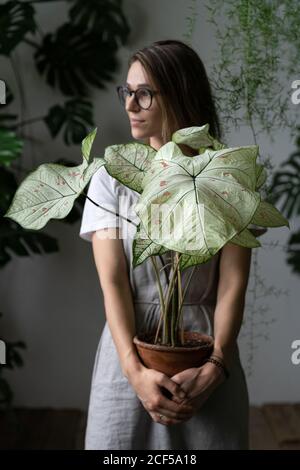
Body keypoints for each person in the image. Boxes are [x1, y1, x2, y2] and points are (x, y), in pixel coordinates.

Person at [79, 39, 257, 450]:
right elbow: (113, 283)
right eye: (127, 91)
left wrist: (216, 366)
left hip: (207, 357)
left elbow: (232, 285)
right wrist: (134, 372)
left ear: (179, 93)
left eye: (144, 93)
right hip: (129, 355)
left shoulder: (224, 175)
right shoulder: (112, 178)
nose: (130, 105)